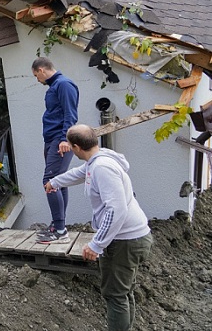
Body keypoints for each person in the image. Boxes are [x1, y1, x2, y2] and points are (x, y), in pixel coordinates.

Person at [45, 124, 153, 331]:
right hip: (132, 238)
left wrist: (96, 244)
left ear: (76, 147)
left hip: (125, 241)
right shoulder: (98, 159)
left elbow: (116, 209)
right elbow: (79, 173)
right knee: (123, 292)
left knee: (115, 295)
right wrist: (55, 182)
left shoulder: (102, 167)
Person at [31, 57, 79, 243]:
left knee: (49, 181)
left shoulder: (64, 84)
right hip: (52, 140)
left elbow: (70, 114)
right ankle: (58, 225)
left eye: (36, 76)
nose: (37, 80)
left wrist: (64, 139)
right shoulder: (55, 86)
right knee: (59, 181)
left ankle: (60, 231)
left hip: (59, 140)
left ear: (42, 70)